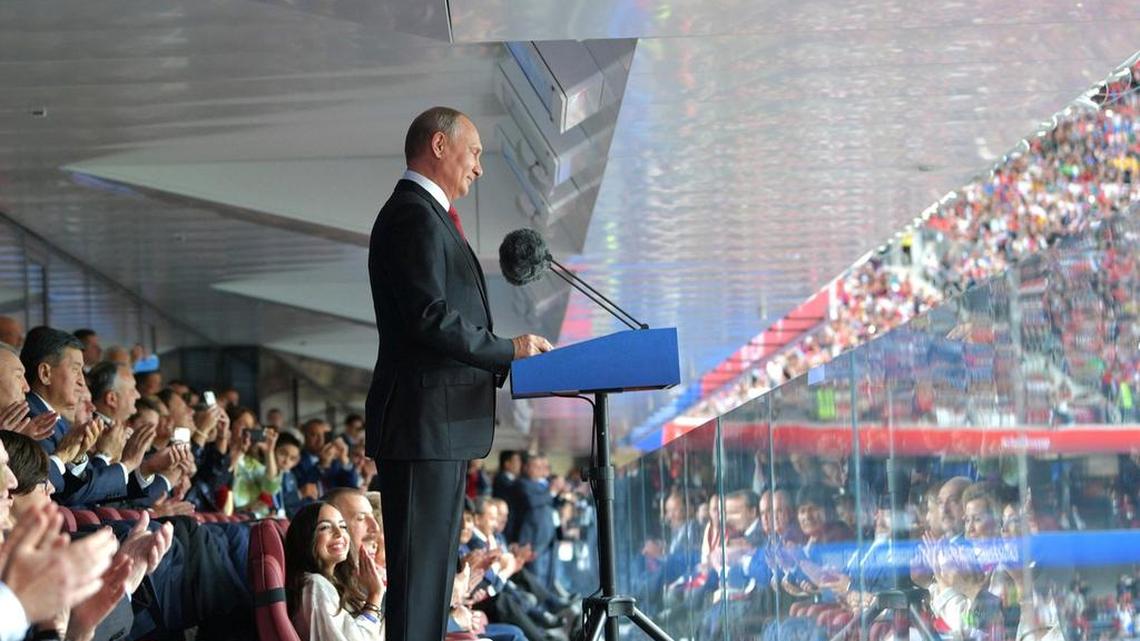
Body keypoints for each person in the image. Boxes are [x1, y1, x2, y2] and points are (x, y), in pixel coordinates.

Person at [364, 106, 552, 641]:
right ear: (440, 146)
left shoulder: (429, 215)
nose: (480, 167)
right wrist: (505, 349)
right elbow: (428, 317)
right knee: (419, 582)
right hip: (424, 425)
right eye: (475, 152)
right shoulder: (412, 214)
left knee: (431, 580)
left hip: (437, 427)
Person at [284, 501, 384, 641]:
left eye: (343, 526)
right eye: (325, 527)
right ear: (306, 537)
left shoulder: (332, 582)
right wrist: (375, 597)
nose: (339, 534)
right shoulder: (315, 584)